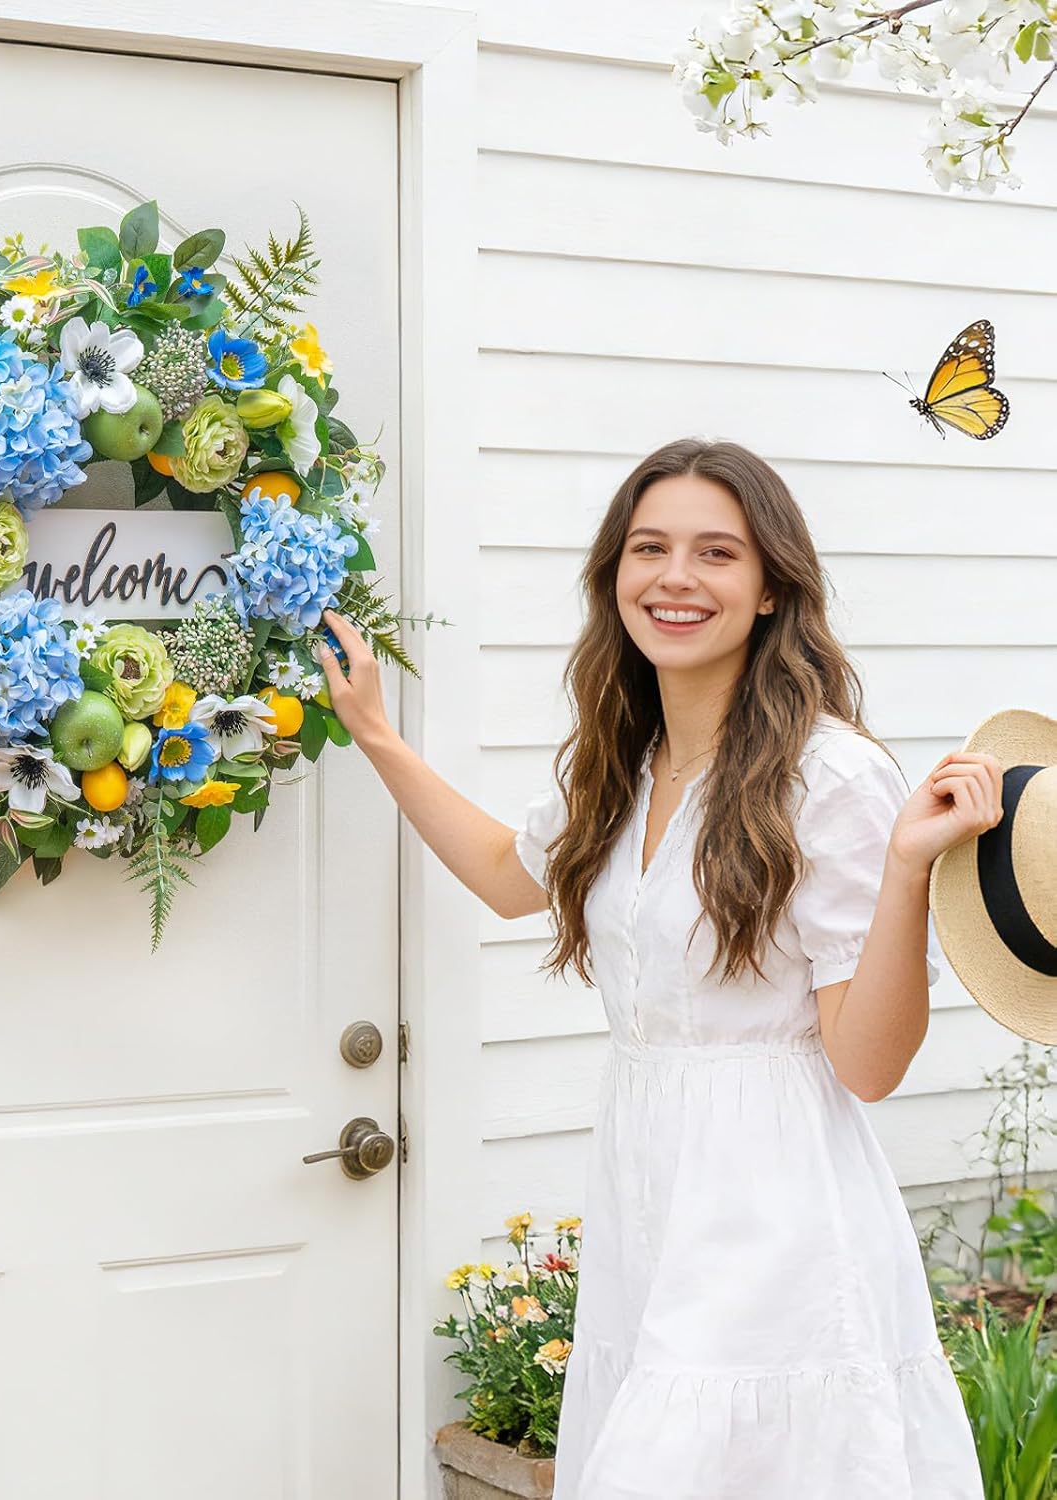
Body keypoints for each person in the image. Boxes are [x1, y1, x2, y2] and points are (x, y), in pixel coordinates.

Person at [316, 437, 997, 1498]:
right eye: (650, 548)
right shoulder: (627, 759)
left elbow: (867, 1063)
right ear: (615, 575)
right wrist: (377, 736)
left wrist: (907, 873)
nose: (676, 578)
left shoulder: (833, 775)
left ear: (772, 588)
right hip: (648, 1178)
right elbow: (509, 875)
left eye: (717, 553)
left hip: (773, 1202)